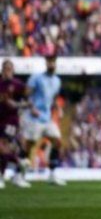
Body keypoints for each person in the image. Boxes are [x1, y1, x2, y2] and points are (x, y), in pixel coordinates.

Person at [21, 54, 65, 186]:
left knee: (57, 142)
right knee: (29, 145)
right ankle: (19, 175)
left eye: (53, 62)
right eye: (49, 62)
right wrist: (31, 107)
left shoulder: (57, 80)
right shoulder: (36, 78)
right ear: (46, 64)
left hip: (47, 118)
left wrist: (58, 108)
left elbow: (54, 97)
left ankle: (51, 175)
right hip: (34, 117)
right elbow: (26, 95)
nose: (51, 64)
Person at [0, 60, 30, 189]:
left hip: (10, 121)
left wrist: (17, 105)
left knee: (2, 147)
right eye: (5, 68)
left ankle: (1, 177)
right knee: (3, 150)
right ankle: (20, 162)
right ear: (1, 70)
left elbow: (28, 101)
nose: (7, 71)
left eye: (10, 69)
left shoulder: (18, 85)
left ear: (13, 71)